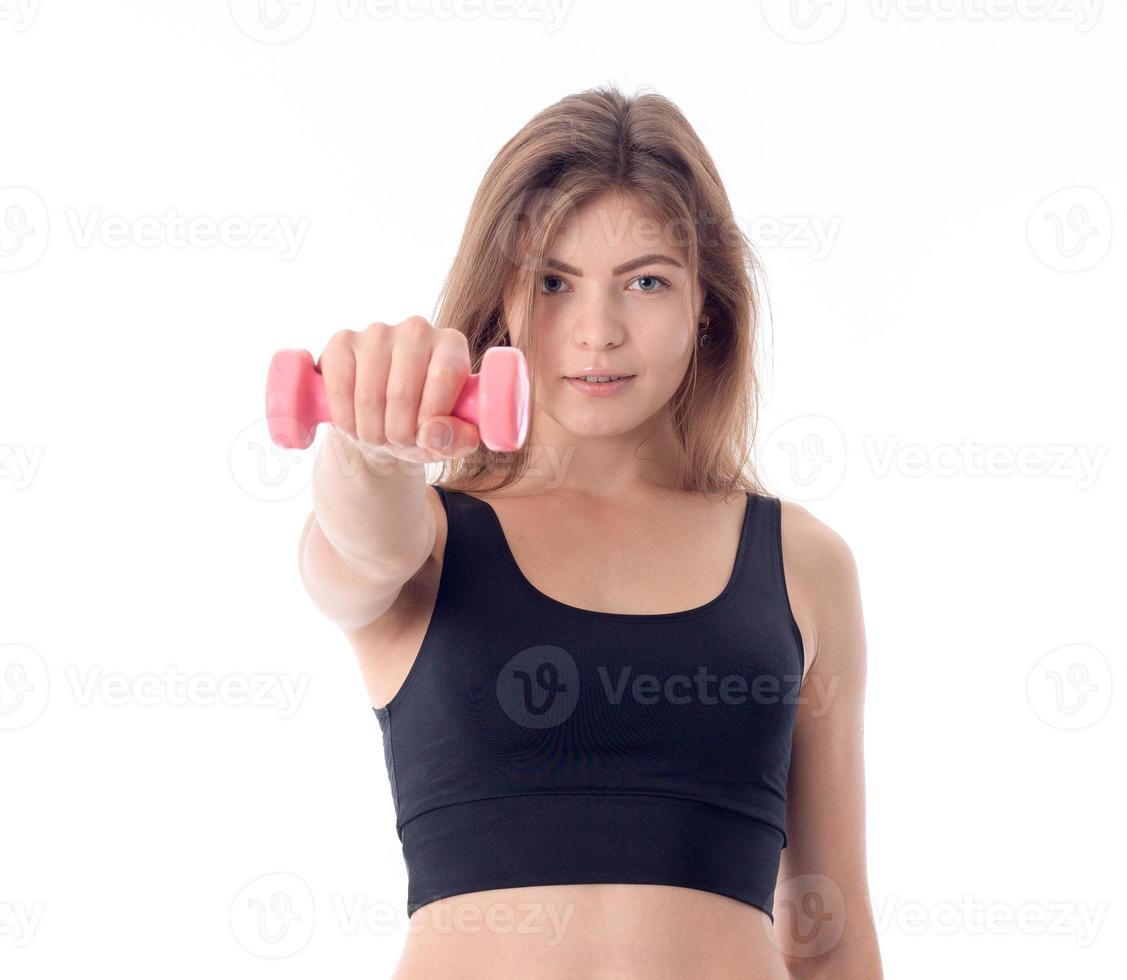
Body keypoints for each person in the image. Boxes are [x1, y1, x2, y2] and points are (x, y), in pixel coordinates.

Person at [297, 84, 882, 980]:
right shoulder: (426, 537)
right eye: (553, 282)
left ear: (707, 309)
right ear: (503, 298)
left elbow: (829, 927)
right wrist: (372, 453)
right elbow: (357, 551)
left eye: (646, 281)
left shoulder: (802, 563)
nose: (597, 333)